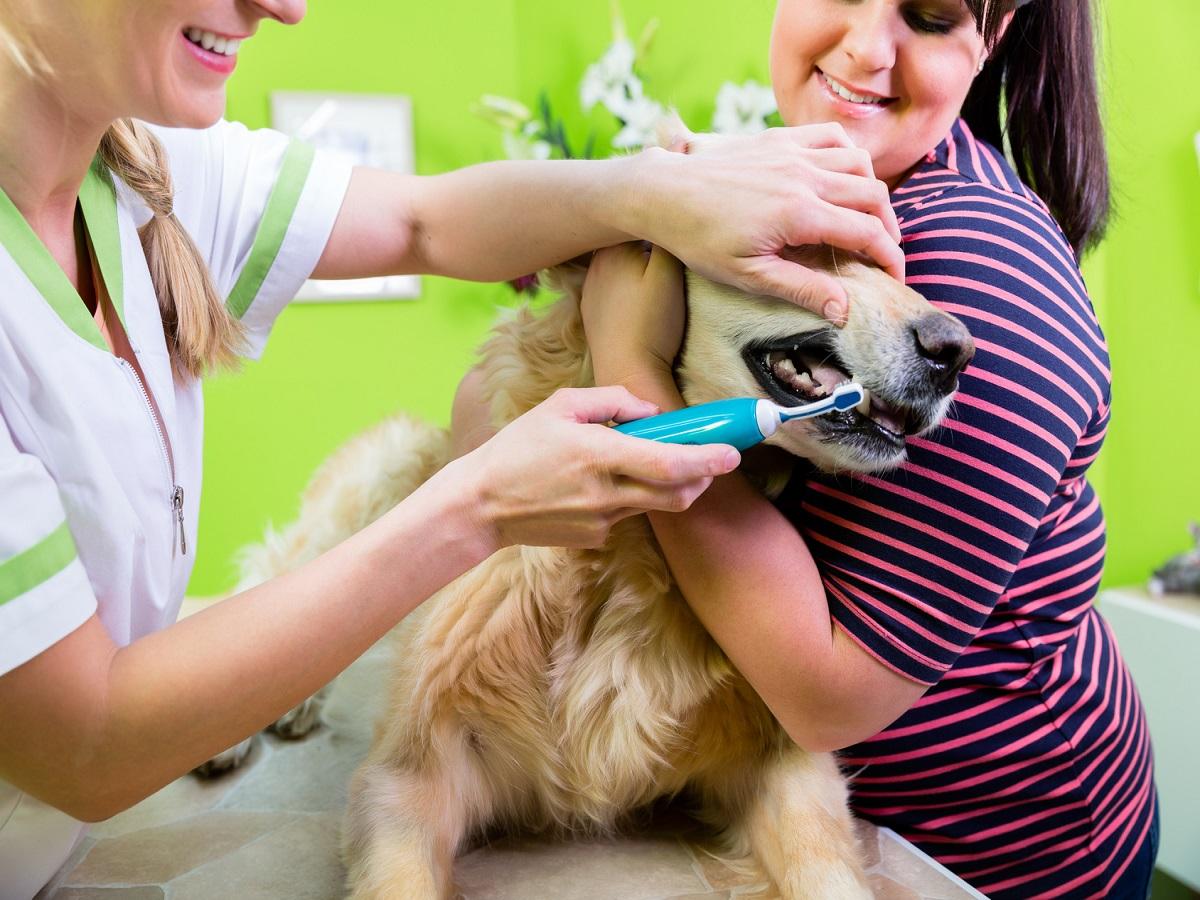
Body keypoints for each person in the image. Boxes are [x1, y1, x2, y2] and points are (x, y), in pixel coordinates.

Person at [0, 2, 915, 898]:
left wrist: (654, 190)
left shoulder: (153, 168)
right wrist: (475, 503)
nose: (288, 7)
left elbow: (422, 222)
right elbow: (86, 749)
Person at [572, 1, 1158, 898]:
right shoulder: (803, 178)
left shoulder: (974, 264)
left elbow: (829, 694)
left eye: (927, 15)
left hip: (990, 856)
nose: (864, 47)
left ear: (988, 40)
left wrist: (630, 366)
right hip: (797, 808)